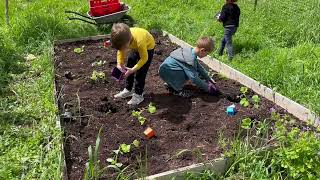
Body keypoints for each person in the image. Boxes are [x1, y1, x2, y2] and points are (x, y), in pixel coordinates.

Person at [110, 23, 155, 105]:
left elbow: (144, 58)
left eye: (124, 47)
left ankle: (138, 95)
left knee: (140, 72)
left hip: (148, 48)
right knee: (129, 64)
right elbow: (120, 50)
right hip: (135, 47)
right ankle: (128, 90)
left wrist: (133, 70)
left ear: (128, 41)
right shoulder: (124, 37)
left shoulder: (140, 41)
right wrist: (119, 64)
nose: (123, 49)